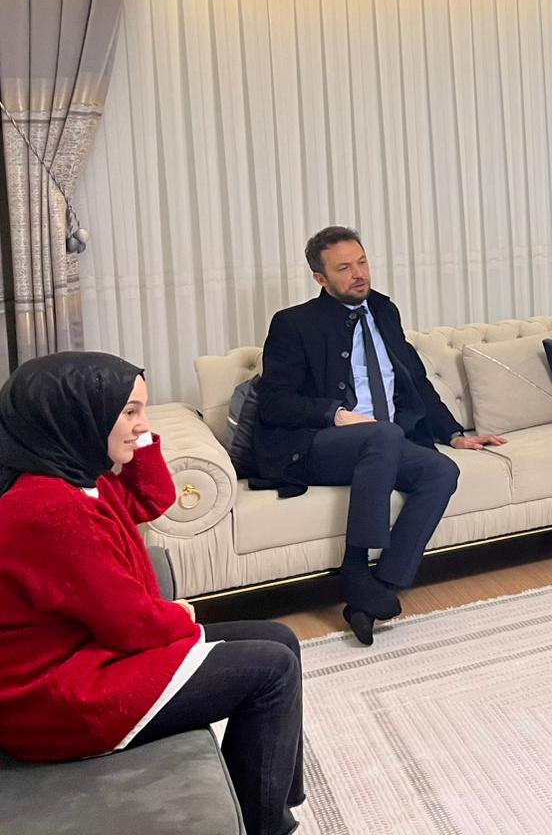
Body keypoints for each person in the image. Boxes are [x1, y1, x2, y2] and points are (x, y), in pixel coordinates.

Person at [0, 353, 303, 835]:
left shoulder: (77, 476)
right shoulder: (48, 509)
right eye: (129, 412)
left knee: (280, 639)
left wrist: (138, 436)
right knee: (271, 670)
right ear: (77, 415)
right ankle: (265, 826)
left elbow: (151, 498)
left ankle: (277, 800)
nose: (144, 423)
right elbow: (131, 625)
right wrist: (180, 617)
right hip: (59, 698)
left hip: (91, 658)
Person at [256, 226, 502, 644]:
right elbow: (274, 402)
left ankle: (376, 591)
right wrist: (335, 414)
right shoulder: (294, 323)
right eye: (344, 268)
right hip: (316, 445)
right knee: (383, 435)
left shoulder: (384, 310)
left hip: (381, 443)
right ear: (320, 278)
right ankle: (355, 569)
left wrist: (453, 433)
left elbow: (415, 380)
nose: (359, 274)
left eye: (362, 262)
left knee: (441, 471)